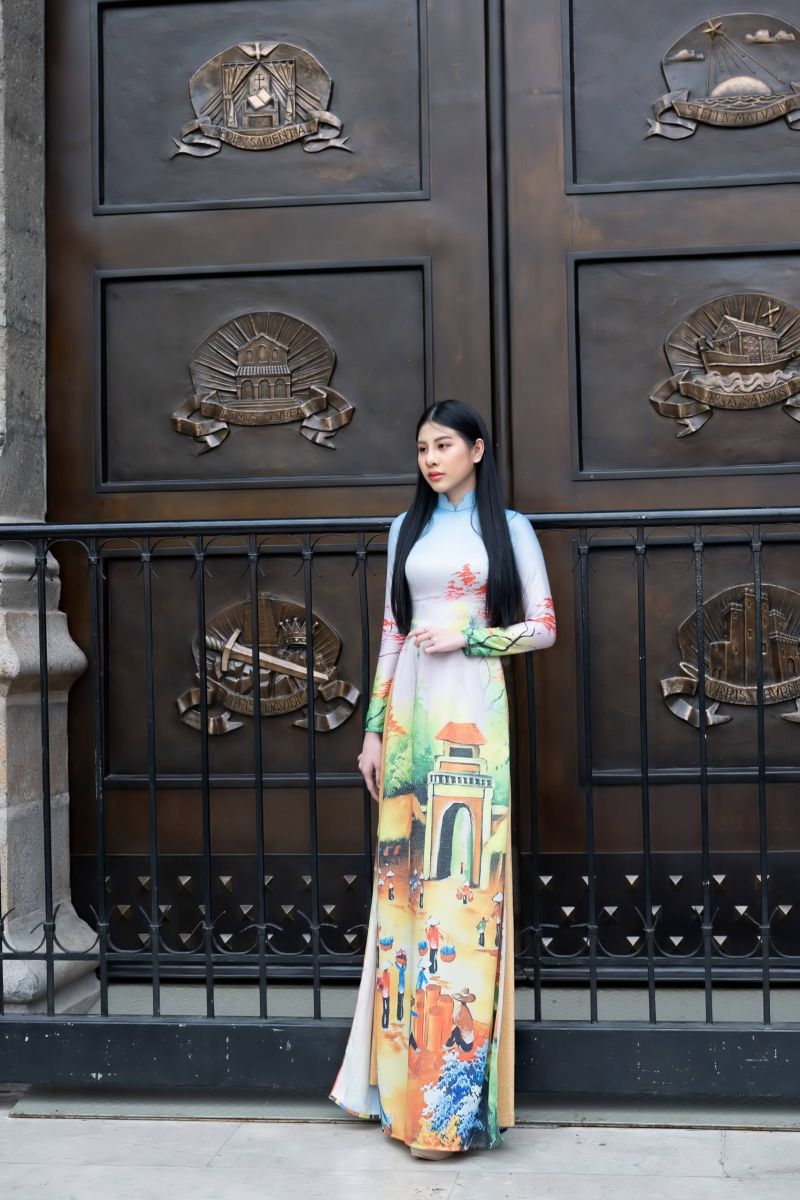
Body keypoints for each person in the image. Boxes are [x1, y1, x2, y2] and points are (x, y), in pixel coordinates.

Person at [330, 399, 556, 1158]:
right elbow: (392, 634)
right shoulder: (406, 528)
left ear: (477, 450)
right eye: (423, 447)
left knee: (465, 889)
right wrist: (372, 732)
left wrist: (469, 636)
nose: (431, 459)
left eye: (445, 445)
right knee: (402, 890)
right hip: (408, 718)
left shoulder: (511, 529)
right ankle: (397, 1098)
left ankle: (450, 1115)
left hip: (474, 711)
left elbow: (544, 627)